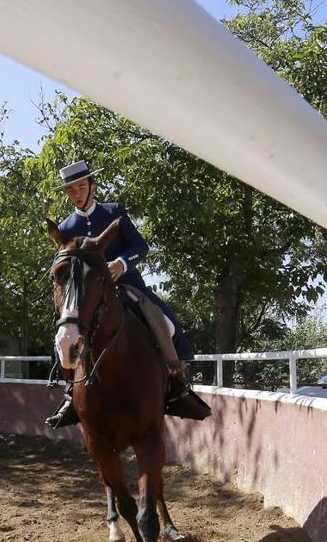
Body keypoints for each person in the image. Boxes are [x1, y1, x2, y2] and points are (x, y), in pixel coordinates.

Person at [45, 160, 211, 428]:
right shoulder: (64, 227)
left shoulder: (114, 212)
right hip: (88, 294)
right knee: (65, 329)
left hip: (127, 285)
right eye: (71, 190)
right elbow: (61, 263)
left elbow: (140, 247)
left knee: (165, 322)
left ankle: (178, 382)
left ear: (92, 187)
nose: (76, 194)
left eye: (81, 187)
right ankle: (68, 393)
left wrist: (121, 264)